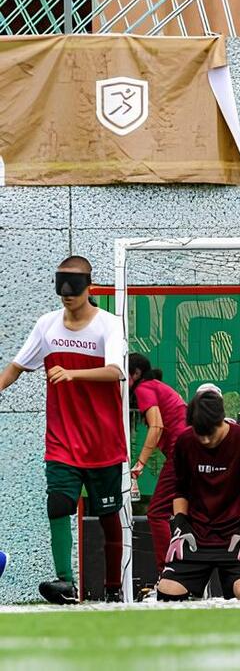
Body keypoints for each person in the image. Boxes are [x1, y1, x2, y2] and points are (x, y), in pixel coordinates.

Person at [0, 256, 127, 604]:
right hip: (62, 441)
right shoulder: (47, 325)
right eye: (62, 293)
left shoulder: (109, 326)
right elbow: (16, 367)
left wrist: (73, 374)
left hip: (102, 441)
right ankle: (65, 583)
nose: (68, 298)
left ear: (90, 288)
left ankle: (113, 587)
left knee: (107, 514)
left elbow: (116, 371)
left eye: (74, 291)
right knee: (57, 504)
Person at [157, 385, 240, 601]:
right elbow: (180, 489)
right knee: (167, 592)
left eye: (209, 434)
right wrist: (181, 526)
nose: (203, 440)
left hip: (235, 536)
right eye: (198, 433)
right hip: (196, 536)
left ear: (221, 420)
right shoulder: (185, 441)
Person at [127, 353, 189, 578]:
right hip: (190, 452)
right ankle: (189, 571)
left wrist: (140, 463)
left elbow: (157, 426)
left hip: (181, 454)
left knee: (156, 513)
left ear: (135, 373)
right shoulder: (157, 386)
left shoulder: (144, 389)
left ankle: (167, 574)